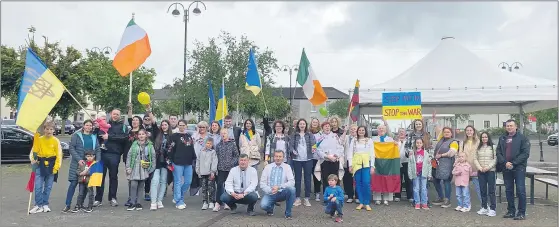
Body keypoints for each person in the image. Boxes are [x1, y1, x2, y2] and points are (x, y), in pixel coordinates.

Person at [63, 120, 101, 213]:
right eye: (87, 125)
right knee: (73, 184)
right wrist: (79, 159)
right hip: (77, 164)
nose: (88, 127)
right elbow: (72, 148)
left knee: (85, 184)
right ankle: (67, 204)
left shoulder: (93, 137)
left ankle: (80, 204)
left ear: (92, 127)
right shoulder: (76, 135)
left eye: (90, 125)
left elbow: (97, 149)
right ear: (83, 126)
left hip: (89, 164)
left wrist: (97, 162)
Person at [496, 120, 530, 220]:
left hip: (519, 168)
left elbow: (525, 153)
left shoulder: (523, 138)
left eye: (511, 126)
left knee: (520, 190)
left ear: (516, 127)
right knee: (509, 190)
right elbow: (498, 152)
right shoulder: (502, 138)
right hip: (506, 167)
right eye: (507, 126)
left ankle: (521, 213)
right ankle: (511, 211)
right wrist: (505, 162)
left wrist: (513, 163)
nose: (509, 127)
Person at [95, 108, 128, 207]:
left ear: (120, 115)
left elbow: (124, 138)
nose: (115, 116)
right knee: (100, 177)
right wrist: (97, 129)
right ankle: (98, 199)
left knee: (113, 177)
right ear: (110, 114)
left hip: (115, 155)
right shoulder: (104, 124)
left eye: (117, 114)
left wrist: (110, 137)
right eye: (114, 114)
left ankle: (112, 198)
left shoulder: (123, 127)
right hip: (102, 154)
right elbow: (97, 137)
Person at [29, 121, 63, 214]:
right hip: (40, 164)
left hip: (51, 165)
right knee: (38, 186)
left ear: (54, 130)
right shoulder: (39, 139)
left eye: (51, 129)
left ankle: (45, 204)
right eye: (47, 129)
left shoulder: (56, 141)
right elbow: (33, 152)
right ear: (44, 129)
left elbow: (59, 155)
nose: (49, 131)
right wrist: (33, 159)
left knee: (48, 187)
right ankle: (38, 205)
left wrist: (56, 167)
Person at [125, 129, 156, 211]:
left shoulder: (150, 145)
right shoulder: (134, 144)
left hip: (144, 168)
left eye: (143, 134)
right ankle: (132, 202)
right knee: (133, 184)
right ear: (137, 136)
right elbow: (129, 156)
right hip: (134, 167)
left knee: (141, 185)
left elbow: (153, 157)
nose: (141, 136)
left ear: (146, 135)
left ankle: (138, 203)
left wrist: (151, 168)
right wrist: (128, 167)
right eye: (139, 134)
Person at [169, 120, 197, 210]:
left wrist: (194, 158)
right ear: (178, 126)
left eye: (183, 125)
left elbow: (191, 148)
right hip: (177, 162)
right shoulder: (174, 136)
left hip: (188, 162)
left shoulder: (189, 136)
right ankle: (179, 201)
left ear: (186, 126)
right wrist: (169, 161)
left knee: (188, 181)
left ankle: (178, 196)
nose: (182, 126)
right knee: (178, 181)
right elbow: (170, 149)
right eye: (180, 125)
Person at [260, 150, 296, 219]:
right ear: (274, 157)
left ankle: (288, 213)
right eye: (276, 156)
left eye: (280, 156)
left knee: (292, 189)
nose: (278, 158)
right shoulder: (268, 167)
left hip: (282, 192)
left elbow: (292, 182)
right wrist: (270, 190)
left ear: (283, 158)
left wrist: (279, 187)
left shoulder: (287, 167)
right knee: (263, 205)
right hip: (270, 192)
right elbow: (262, 183)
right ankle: (270, 208)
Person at [290, 119, 316, 207]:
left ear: (306, 125)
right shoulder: (294, 134)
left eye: (303, 124)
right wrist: (293, 151)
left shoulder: (310, 134)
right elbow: (290, 146)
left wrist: (313, 148)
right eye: (300, 124)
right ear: (298, 125)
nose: (302, 125)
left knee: (308, 179)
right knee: (297, 179)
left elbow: (314, 144)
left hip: (308, 159)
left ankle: (306, 198)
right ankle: (297, 198)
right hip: (297, 160)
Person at [347, 126, 374, 211]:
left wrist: (372, 166)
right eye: (359, 130)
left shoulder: (369, 140)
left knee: (366, 183)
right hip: (357, 164)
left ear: (365, 131)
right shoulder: (354, 140)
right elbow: (350, 153)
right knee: (358, 183)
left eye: (363, 130)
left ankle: (367, 202)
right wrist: (350, 165)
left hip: (366, 164)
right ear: (357, 131)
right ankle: (361, 202)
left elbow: (372, 154)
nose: (361, 131)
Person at [432, 127, 458, 208]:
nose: (446, 133)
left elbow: (452, 152)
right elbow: (437, 130)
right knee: (436, 180)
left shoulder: (454, 142)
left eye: (448, 132)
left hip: (447, 163)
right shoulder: (440, 140)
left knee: (446, 181)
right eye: (445, 132)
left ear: (451, 133)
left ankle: (447, 199)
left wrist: (442, 155)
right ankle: (441, 197)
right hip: (437, 164)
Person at [315, 121, 345, 193]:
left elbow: (340, 147)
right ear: (322, 128)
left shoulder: (335, 136)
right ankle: (327, 197)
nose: (327, 127)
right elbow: (318, 150)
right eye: (325, 126)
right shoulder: (320, 138)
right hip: (325, 161)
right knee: (326, 179)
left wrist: (336, 155)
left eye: (328, 126)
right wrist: (327, 156)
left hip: (335, 161)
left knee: (335, 179)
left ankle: (336, 196)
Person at [214, 128, 239, 212]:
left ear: (228, 134)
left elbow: (236, 155)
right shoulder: (218, 145)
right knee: (220, 185)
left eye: (225, 133)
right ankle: (218, 203)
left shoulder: (232, 144)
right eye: (222, 133)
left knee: (228, 186)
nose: (223, 134)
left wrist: (232, 163)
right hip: (220, 168)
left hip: (230, 169)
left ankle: (227, 202)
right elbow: (215, 157)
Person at [150, 120, 172, 211]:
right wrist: (149, 110)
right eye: (162, 125)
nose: (163, 126)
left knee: (163, 181)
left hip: (166, 162)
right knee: (155, 181)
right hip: (157, 161)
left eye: (165, 124)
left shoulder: (172, 136)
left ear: (168, 125)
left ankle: (160, 200)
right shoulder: (157, 133)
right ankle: (153, 202)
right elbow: (154, 123)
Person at [371, 125, 396, 205]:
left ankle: (386, 198)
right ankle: (377, 198)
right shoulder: (373, 140)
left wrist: (395, 144)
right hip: (377, 161)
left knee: (387, 179)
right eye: (379, 129)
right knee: (376, 179)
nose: (381, 130)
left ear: (385, 130)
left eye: (383, 128)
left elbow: (395, 149)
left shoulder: (390, 139)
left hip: (387, 162)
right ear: (377, 130)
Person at [474, 132, 497, 217]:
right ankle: (484, 207)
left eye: (486, 137)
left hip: (490, 171)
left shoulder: (493, 147)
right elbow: (475, 159)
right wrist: (480, 168)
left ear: (488, 138)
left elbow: (495, 159)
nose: (484, 138)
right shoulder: (478, 147)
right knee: (482, 190)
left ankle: (492, 209)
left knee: (491, 191)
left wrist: (488, 167)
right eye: (482, 137)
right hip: (481, 171)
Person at [459, 126, 481, 208]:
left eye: (470, 130)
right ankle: (466, 205)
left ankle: (484, 205)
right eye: (467, 130)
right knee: (465, 188)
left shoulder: (479, 141)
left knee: (478, 187)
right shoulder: (462, 142)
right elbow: (460, 154)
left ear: (473, 131)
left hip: (475, 167)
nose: (469, 132)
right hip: (465, 167)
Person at [408, 138, 431, 210]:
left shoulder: (426, 153)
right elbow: (410, 164)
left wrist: (429, 174)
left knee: (424, 188)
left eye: (420, 143)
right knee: (416, 188)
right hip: (415, 173)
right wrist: (410, 174)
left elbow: (429, 164)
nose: (418, 144)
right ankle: (417, 203)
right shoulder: (412, 153)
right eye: (417, 143)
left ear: (422, 144)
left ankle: (424, 203)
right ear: (415, 144)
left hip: (423, 173)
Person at [196, 138, 218, 210]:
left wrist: (213, 171)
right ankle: (205, 202)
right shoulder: (201, 152)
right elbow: (198, 161)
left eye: (210, 144)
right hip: (202, 173)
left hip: (210, 173)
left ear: (212, 145)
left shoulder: (213, 152)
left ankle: (211, 202)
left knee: (211, 188)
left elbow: (214, 162)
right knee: (204, 188)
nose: (208, 145)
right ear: (205, 143)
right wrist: (198, 171)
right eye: (207, 143)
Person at [395, 128, 413, 203]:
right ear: (398, 134)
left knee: (408, 180)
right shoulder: (395, 142)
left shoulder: (409, 142)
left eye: (403, 132)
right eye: (400, 132)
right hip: (397, 162)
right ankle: (397, 195)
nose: (401, 133)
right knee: (398, 179)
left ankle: (409, 196)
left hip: (407, 162)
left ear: (405, 133)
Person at [342, 125, 357, 204]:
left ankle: (357, 196)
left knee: (357, 178)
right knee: (347, 178)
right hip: (347, 160)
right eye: (351, 129)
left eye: (354, 129)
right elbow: (341, 142)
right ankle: (350, 195)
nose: (353, 130)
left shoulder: (360, 138)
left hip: (357, 161)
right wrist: (345, 131)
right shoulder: (347, 137)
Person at [310, 118, 323, 202]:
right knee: (309, 175)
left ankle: (317, 191)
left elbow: (322, 144)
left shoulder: (321, 134)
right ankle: (308, 191)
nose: (315, 123)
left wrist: (315, 147)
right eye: (313, 122)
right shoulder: (308, 133)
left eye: (316, 122)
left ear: (318, 124)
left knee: (316, 175)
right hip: (308, 157)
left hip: (318, 158)